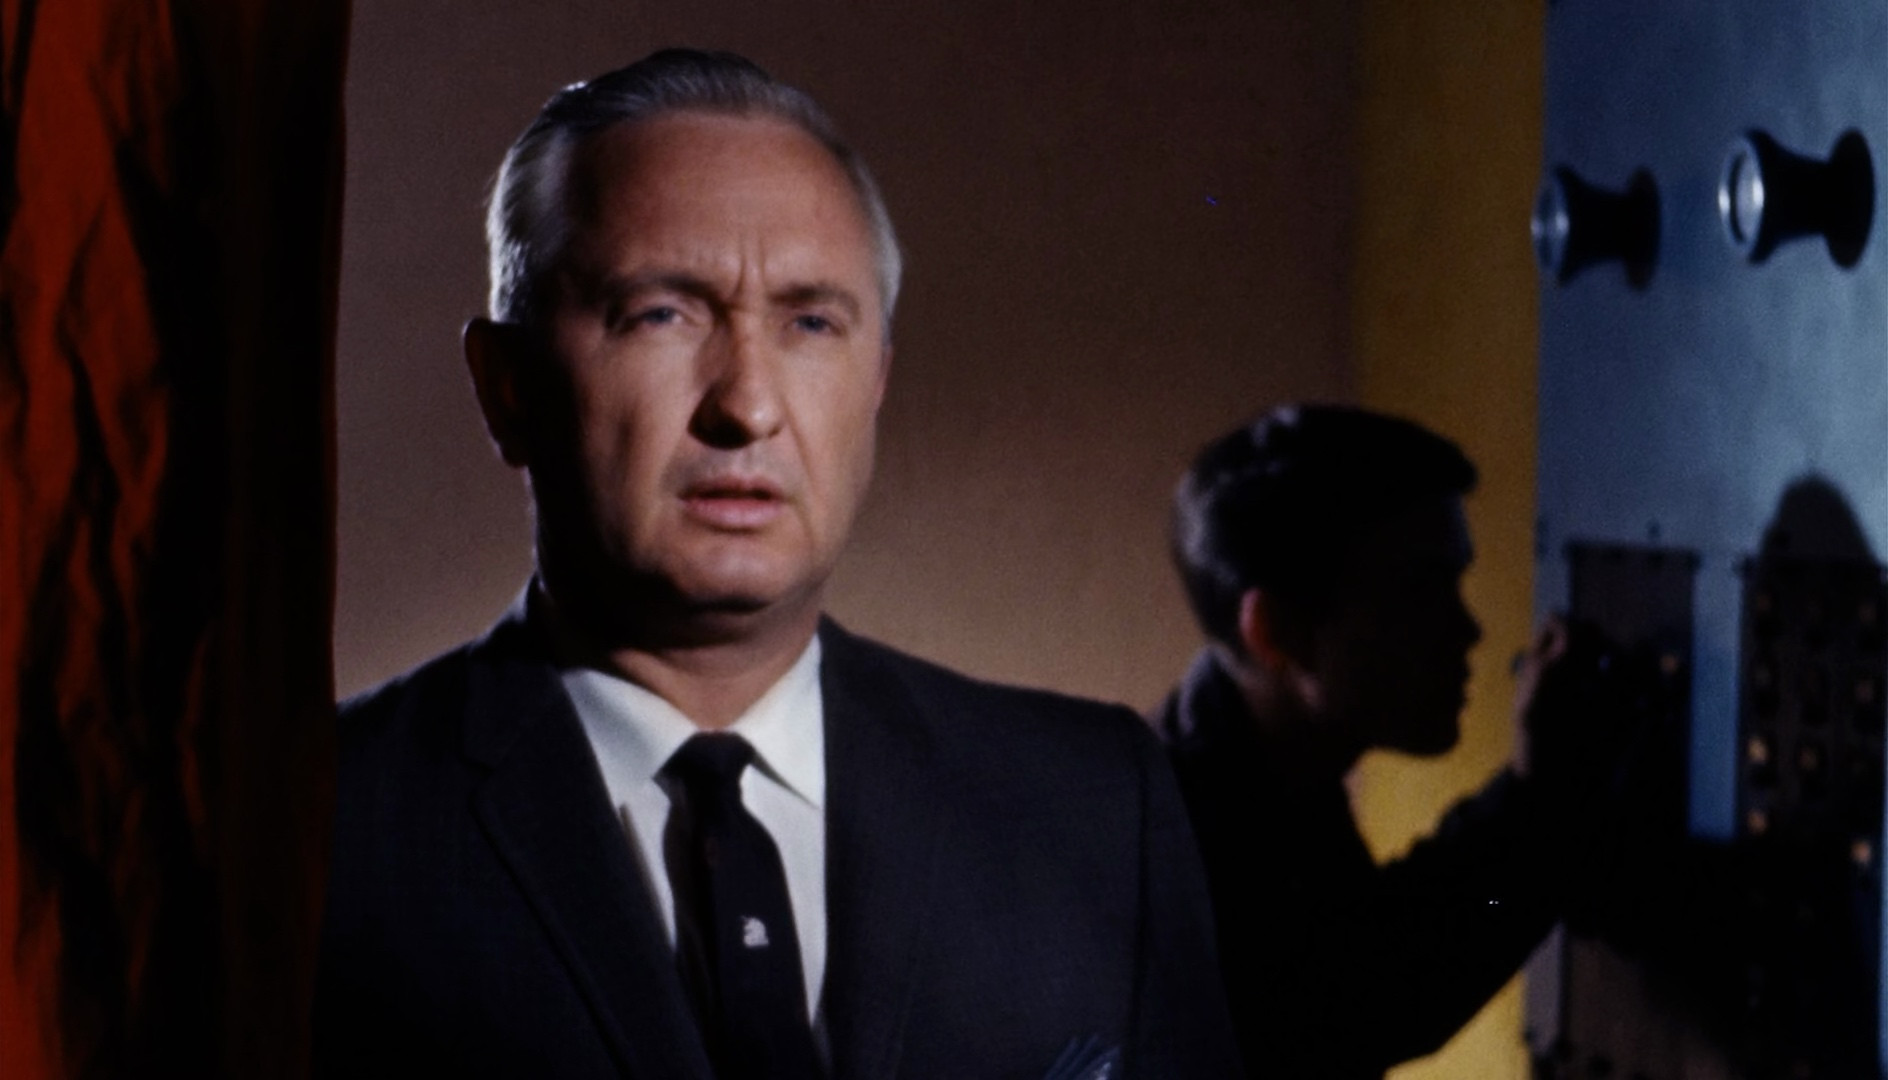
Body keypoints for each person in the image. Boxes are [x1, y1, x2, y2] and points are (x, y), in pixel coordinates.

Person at [313, 49, 1242, 1080]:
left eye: (810, 322)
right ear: (505, 386)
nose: (748, 405)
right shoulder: (316, 828)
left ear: (876, 380)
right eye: (660, 314)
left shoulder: (1094, 805)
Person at [1157, 403, 1629, 1079]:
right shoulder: (1184, 862)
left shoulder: (1261, 768)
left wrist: (1536, 800)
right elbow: (1377, 999)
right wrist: (1540, 807)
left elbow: (1380, 956)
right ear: (1276, 630)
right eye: (1419, 591)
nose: (1468, 631)